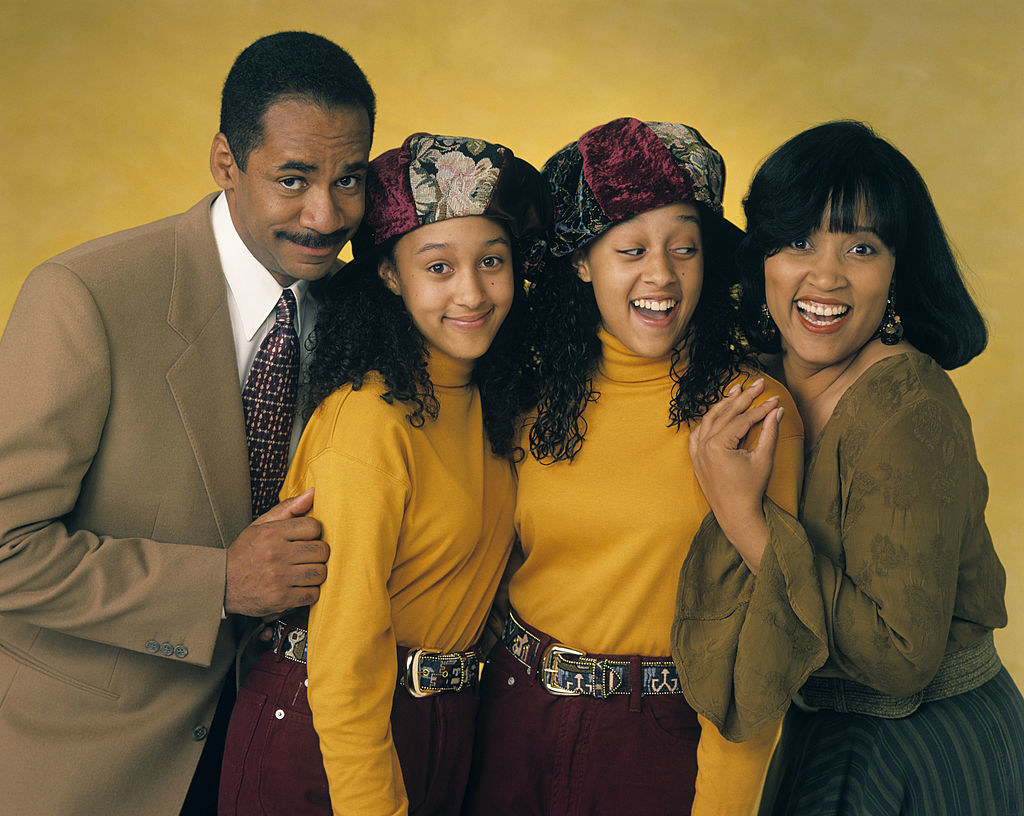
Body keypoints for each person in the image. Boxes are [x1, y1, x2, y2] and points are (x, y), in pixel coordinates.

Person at [0, 31, 374, 815]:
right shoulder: (85, 297)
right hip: (90, 763)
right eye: (294, 178)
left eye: (350, 180)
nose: (326, 214)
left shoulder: (370, 314)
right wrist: (218, 585)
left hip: (279, 761)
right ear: (225, 162)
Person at [462, 117, 804, 816]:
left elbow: (764, 644)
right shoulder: (530, 391)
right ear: (583, 260)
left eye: (685, 247)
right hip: (510, 714)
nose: (662, 274)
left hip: (657, 740)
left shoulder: (752, 411)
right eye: (631, 249)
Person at [680, 120, 1024, 815]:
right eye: (799, 241)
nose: (825, 276)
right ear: (763, 258)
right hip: (822, 731)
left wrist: (745, 518)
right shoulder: (754, 384)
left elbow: (900, 660)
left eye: (860, 247)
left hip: (920, 752)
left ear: (897, 271)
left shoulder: (907, 409)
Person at [218, 133, 550, 816]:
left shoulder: (494, 408)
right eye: (438, 267)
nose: (472, 292)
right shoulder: (370, 421)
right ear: (391, 276)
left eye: (492, 261)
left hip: (438, 724)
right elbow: (342, 666)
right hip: (325, 735)